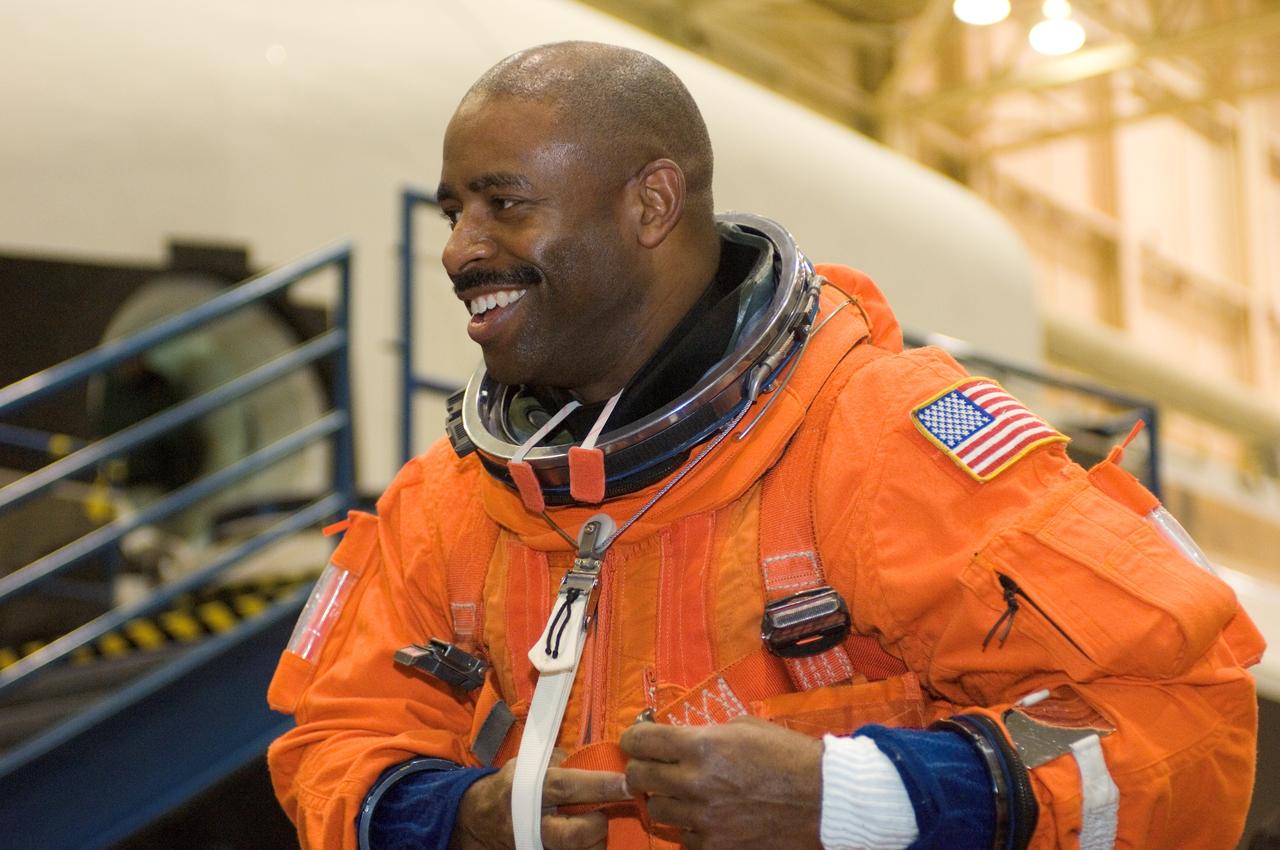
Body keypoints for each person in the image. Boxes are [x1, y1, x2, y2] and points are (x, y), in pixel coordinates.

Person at [266, 41, 1265, 850]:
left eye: (503, 204)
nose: (456, 250)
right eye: (451, 212)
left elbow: (1183, 717)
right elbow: (333, 741)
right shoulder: (442, 502)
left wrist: (863, 797)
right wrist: (464, 817)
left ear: (650, 203)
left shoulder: (878, 440)